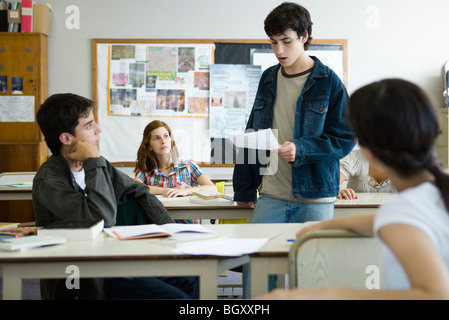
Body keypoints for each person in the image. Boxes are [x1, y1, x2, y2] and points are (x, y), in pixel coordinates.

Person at [258, 78, 449, 300]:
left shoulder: (402, 212)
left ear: (367, 150)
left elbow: (434, 294)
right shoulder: (431, 194)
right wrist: (328, 225)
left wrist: (318, 295)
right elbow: (389, 222)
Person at [232, 2, 355, 296]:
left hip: (315, 196)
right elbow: (254, 132)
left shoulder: (329, 82)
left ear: (304, 36)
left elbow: (345, 138)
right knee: (258, 280)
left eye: (286, 41)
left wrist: (302, 149)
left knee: (313, 279)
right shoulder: (268, 78)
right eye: (273, 42)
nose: (278, 50)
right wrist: (245, 188)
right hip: (271, 194)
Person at [33, 93, 198, 300]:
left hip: (111, 258)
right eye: (89, 125)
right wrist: (92, 160)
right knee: (177, 299)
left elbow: (140, 191)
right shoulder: (49, 180)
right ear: (66, 138)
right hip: (81, 273)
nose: (98, 129)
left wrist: (173, 232)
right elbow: (102, 217)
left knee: (191, 275)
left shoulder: (98, 164)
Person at [134, 120, 216, 198]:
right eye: (156, 138)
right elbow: (135, 188)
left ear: (171, 141)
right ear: (149, 146)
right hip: (157, 212)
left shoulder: (188, 166)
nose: (163, 141)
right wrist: (169, 190)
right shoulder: (145, 170)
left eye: (166, 136)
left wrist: (187, 191)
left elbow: (212, 188)